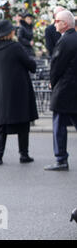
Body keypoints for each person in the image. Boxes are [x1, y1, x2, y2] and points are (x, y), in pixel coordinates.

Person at [0, 20, 38, 165]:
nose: (14, 32)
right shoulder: (15, 47)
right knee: (23, 122)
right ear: (8, 32)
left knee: (2, 125)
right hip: (18, 91)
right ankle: (24, 154)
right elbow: (31, 65)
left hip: (1, 93)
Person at [44, 10, 77, 171]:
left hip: (64, 90)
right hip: (74, 89)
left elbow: (56, 66)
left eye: (57, 21)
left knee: (59, 127)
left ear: (64, 24)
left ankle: (61, 159)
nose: (54, 23)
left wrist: (52, 82)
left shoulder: (64, 41)